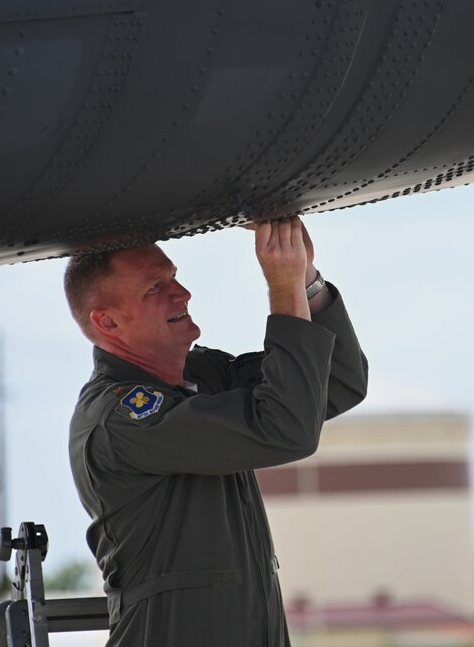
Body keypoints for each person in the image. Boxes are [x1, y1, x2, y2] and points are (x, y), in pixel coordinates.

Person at [63, 216, 368, 646]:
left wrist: (305, 282)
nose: (181, 293)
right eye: (155, 287)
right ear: (108, 323)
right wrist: (281, 289)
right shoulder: (121, 418)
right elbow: (287, 429)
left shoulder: (201, 375)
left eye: (173, 277)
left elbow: (336, 383)